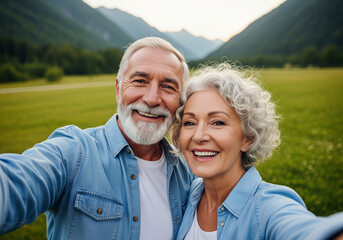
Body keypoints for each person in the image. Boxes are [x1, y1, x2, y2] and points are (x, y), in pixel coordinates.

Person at [0, 37, 194, 239]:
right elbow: (17, 181)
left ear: (180, 102)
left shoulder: (188, 172)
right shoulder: (73, 152)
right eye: (140, 81)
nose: (152, 99)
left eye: (168, 86)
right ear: (118, 90)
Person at [171, 62, 343, 240]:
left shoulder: (269, 206)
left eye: (218, 122)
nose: (199, 136)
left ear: (248, 139)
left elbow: (304, 231)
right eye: (189, 123)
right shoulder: (187, 195)